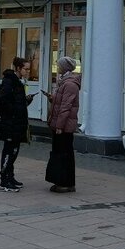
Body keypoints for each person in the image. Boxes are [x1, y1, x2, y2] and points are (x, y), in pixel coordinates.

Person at [0, 56, 35, 192]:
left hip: (17, 123)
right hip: (10, 123)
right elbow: (3, 101)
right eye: (26, 69)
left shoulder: (19, 82)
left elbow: (17, 102)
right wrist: (15, 110)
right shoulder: (10, 82)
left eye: (29, 69)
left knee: (14, 151)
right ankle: (4, 181)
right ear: (18, 68)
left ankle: (10, 177)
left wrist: (26, 101)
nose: (28, 72)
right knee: (9, 151)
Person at [45, 56, 80, 193]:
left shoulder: (70, 84)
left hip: (65, 127)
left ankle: (66, 183)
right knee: (59, 152)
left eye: (59, 65)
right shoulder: (63, 82)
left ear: (65, 67)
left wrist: (59, 126)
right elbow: (61, 102)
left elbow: (66, 106)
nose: (57, 67)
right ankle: (60, 180)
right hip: (60, 125)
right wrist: (52, 98)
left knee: (64, 154)